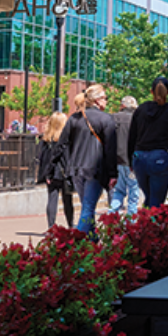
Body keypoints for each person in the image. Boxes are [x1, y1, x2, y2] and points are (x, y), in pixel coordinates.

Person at [58, 85, 117, 234]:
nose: (106, 101)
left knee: (86, 206)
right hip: (95, 170)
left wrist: (64, 165)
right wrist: (113, 173)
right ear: (97, 100)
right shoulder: (106, 119)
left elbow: (62, 144)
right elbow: (110, 149)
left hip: (76, 169)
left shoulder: (74, 118)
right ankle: (79, 243)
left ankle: (92, 241)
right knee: (88, 208)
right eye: (105, 98)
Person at [129, 77, 168, 208]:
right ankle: (152, 226)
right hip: (160, 157)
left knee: (149, 198)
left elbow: (131, 136)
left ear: (151, 91)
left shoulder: (140, 110)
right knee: (156, 202)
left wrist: (130, 159)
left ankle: (143, 225)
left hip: (139, 157)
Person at [37, 111, 74, 228]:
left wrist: (46, 174)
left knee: (52, 199)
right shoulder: (67, 140)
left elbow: (42, 158)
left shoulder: (46, 140)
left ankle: (51, 226)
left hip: (51, 173)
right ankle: (71, 225)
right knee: (67, 200)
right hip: (64, 172)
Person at [110, 95, 140, 215]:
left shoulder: (113, 118)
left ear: (123, 105)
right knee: (133, 193)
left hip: (117, 161)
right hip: (132, 162)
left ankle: (111, 214)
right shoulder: (137, 119)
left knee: (119, 191)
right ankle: (131, 222)